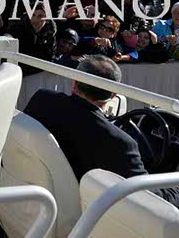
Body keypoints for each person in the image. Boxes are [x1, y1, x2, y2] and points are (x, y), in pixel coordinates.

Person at [24, 55, 179, 208]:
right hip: (80, 211)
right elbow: (153, 199)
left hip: (32, 193)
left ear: (75, 83)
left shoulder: (42, 99)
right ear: (113, 95)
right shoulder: (119, 143)